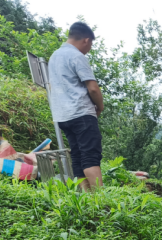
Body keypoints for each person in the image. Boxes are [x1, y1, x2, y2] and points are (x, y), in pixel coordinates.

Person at [48, 21, 104, 189]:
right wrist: (100, 107)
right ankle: (101, 199)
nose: (89, 48)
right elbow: (93, 88)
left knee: (78, 157)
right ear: (86, 40)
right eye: (91, 44)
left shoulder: (54, 57)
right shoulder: (76, 56)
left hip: (63, 116)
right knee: (91, 157)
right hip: (81, 113)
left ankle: (88, 199)